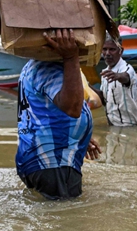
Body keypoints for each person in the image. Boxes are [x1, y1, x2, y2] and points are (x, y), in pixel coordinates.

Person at [15, 29, 102, 199]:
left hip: (41, 161)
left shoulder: (33, 66)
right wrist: (71, 57)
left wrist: (77, 137)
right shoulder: (48, 67)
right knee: (68, 223)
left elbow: (42, 113)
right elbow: (73, 107)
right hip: (52, 163)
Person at [97, 35, 137, 126]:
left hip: (130, 127)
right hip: (113, 126)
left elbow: (125, 77)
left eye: (112, 49)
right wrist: (86, 85)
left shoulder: (128, 69)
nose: (107, 53)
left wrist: (117, 76)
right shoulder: (105, 72)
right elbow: (104, 99)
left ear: (121, 51)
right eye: (104, 49)